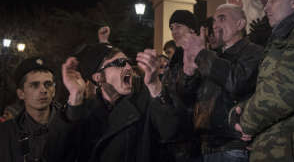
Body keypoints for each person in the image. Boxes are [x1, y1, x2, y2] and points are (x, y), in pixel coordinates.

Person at [229, 0, 294, 161]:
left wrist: (246, 122)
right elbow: (269, 89)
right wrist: (240, 111)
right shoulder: (287, 33)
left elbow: (289, 88)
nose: (266, 7)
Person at [47, 43, 181, 162]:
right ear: (99, 77)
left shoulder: (147, 100)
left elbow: (174, 133)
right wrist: (75, 96)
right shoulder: (84, 111)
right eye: (119, 63)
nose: (128, 66)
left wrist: (155, 85)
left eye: (128, 61)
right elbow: (55, 155)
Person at [180, 4, 264, 162]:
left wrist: (201, 53)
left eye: (222, 18)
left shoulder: (254, 52)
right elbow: (187, 99)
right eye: (214, 21)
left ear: (240, 24)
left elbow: (237, 82)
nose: (215, 25)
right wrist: (188, 73)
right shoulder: (211, 57)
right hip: (204, 146)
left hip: (233, 147)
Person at [161, 10, 202, 162]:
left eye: (178, 26)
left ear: (192, 29)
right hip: (175, 139)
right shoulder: (173, 62)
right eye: (171, 27)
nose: (173, 31)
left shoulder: (204, 55)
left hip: (197, 140)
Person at [0, 57, 59, 162]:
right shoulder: (6, 133)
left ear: (54, 91)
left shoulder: (70, 126)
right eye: (34, 85)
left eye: (48, 84)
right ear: (21, 93)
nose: (43, 90)